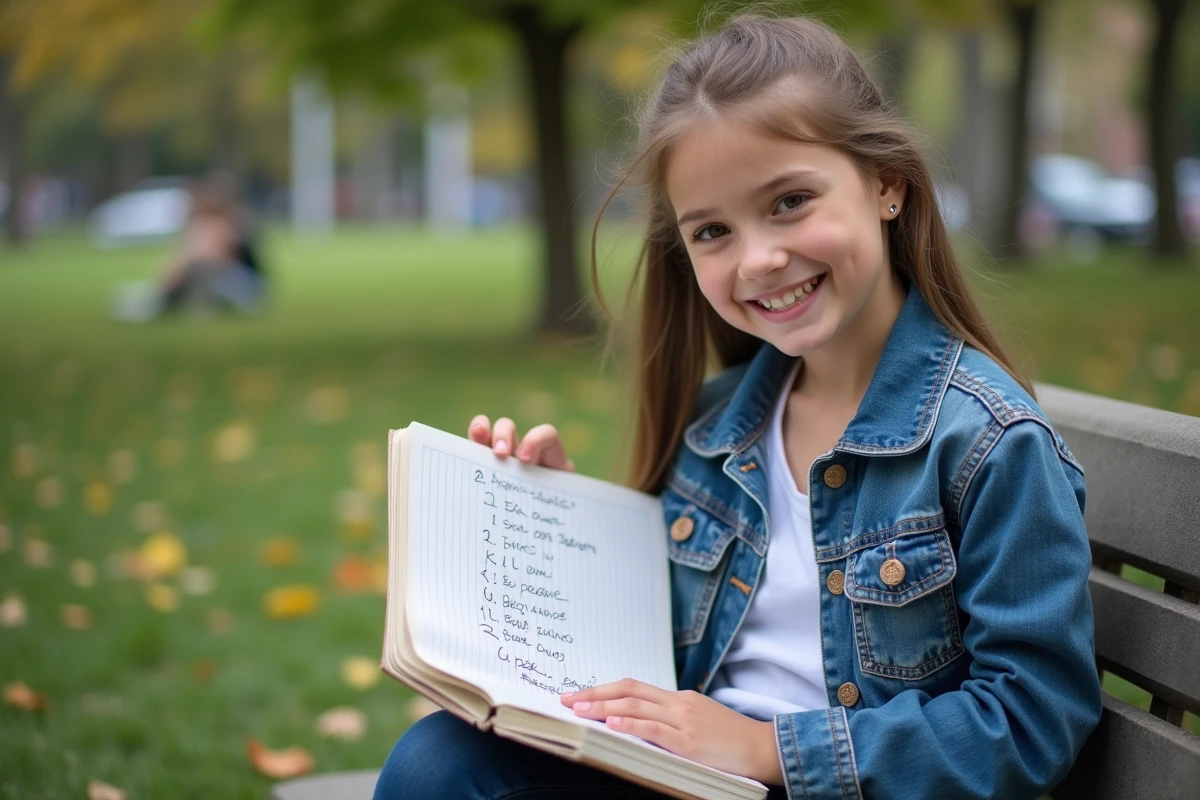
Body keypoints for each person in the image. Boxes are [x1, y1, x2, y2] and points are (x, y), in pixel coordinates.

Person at [374, 13, 1101, 800]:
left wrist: (766, 748)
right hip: (688, 773)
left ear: (886, 184)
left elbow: (1032, 716)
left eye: (790, 201)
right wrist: (556, 527)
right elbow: (660, 646)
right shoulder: (721, 423)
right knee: (436, 763)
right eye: (713, 231)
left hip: (828, 781)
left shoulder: (987, 442)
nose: (759, 258)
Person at [111, 181, 266, 322]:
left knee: (197, 267)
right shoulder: (203, 227)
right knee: (192, 269)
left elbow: (218, 260)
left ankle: (164, 302)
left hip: (244, 289)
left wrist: (181, 267)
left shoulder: (223, 226)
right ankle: (162, 300)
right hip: (220, 283)